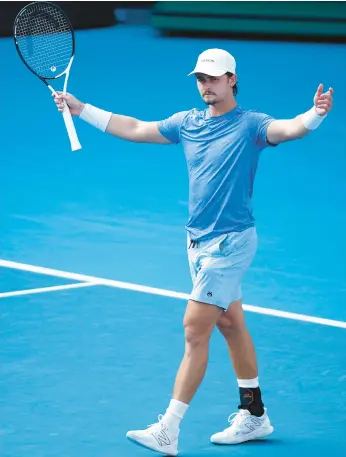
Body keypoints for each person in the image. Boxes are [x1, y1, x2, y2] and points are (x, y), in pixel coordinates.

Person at [53, 48, 333, 456]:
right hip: (197, 244)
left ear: (232, 80)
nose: (206, 85)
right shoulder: (188, 123)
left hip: (231, 244)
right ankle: (254, 415)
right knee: (231, 325)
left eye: (214, 78)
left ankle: (169, 429)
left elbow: (290, 129)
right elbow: (135, 128)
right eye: (201, 78)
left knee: (193, 329)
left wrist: (316, 114)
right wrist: (82, 111)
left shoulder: (251, 125)